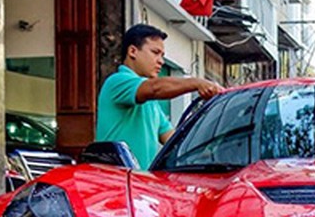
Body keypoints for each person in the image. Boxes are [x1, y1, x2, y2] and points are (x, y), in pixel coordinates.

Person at [95, 23, 224, 169]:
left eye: (162, 55)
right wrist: (196, 83)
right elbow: (155, 88)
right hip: (114, 182)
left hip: (141, 183)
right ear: (132, 51)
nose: (161, 61)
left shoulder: (151, 103)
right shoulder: (117, 82)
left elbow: (174, 142)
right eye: (155, 52)